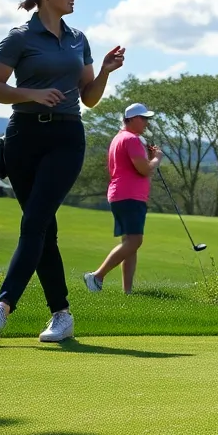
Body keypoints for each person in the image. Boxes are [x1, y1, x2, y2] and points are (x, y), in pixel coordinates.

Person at [0, 0, 125, 344]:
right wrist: (32, 94)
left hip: (66, 137)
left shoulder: (78, 39)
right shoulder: (20, 37)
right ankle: (62, 314)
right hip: (22, 137)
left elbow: (88, 98)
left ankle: (2, 308)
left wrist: (103, 72)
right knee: (44, 229)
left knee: (34, 222)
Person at [84, 103, 162, 295]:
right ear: (133, 119)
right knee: (135, 241)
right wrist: (157, 158)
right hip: (129, 196)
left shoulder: (119, 138)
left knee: (129, 243)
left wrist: (149, 158)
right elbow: (144, 169)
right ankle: (97, 276)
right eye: (143, 119)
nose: (146, 123)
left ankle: (127, 291)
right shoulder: (132, 139)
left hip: (121, 194)